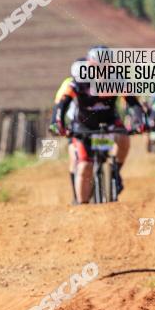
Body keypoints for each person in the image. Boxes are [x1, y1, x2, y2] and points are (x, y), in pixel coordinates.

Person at [52, 45, 145, 203]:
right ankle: (81, 204)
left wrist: (139, 121)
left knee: (123, 139)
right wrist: (57, 123)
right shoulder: (79, 80)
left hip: (109, 122)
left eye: (106, 67)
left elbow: (133, 103)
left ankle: (115, 173)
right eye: (98, 67)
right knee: (83, 165)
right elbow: (62, 104)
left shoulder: (117, 79)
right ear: (89, 65)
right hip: (83, 125)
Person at [51, 58, 85, 204]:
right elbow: (59, 105)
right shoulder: (69, 84)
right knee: (75, 156)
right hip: (75, 123)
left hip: (98, 124)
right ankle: (76, 195)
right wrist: (56, 123)